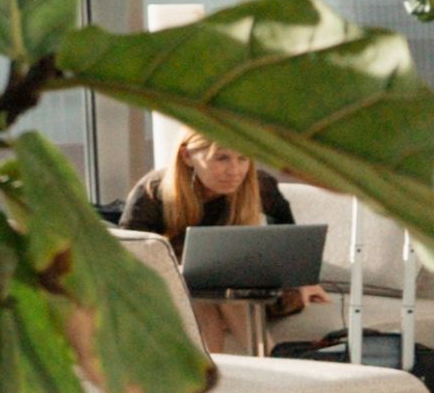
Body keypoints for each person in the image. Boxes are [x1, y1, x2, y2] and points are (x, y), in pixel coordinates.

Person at [119, 131, 323, 359]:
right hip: (175, 288)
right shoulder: (152, 192)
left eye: (243, 159)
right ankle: (272, 367)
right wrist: (173, 274)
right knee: (207, 298)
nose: (235, 170)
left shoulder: (257, 184)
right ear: (187, 156)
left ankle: (265, 372)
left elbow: (288, 233)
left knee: (227, 294)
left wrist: (305, 281)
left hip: (247, 287)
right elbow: (128, 254)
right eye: (222, 158)